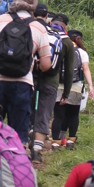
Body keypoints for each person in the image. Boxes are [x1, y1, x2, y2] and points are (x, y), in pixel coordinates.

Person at [0, 0, 52, 144]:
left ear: (15, 1)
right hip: (22, 84)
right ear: (34, 5)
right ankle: (13, 164)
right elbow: (46, 64)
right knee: (17, 136)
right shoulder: (39, 28)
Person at [32, 14, 74, 164]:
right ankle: (36, 152)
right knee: (44, 114)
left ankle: (25, 140)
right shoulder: (67, 42)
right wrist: (66, 93)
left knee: (30, 110)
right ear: (66, 26)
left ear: (51, 22)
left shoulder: (42, 32)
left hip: (33, 78)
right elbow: (69, 71)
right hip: (51, 82)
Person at [51, 30, 94, 149]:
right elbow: (85, 69)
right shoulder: (82, 52)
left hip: (59, 85)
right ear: (78, 39)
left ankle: (55, 142)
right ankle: (71, 141)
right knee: (73, 115)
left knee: (58, 116)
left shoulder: (60, 48)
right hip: (75, 86)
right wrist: (90, 86)